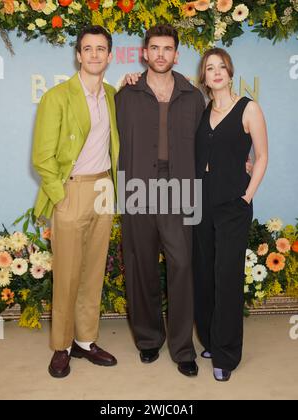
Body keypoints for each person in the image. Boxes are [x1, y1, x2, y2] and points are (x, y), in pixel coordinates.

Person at [115, 24, 206, 377]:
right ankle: (149, 339)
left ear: (176, 54)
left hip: (180, 189)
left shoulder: (193, 95)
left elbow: (207, 142)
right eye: (154, 48)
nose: (160, 55)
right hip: (138, 188)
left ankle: (183, 347)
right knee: (141, 266)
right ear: (144, 53)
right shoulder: (125, 94)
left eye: (167, 49)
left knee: (182, 265)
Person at [32, 25, 120, 378]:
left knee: (93, 271)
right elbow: (42, 157)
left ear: (110, 56)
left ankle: (85, 341)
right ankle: (62, 346)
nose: (95, 54)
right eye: (88, 48)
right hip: (72, 190)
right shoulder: (57, 96)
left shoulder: (113, 94)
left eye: (101, 49)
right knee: (67, 274)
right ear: (78, 55)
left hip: (104, 190)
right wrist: (60, 196)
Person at [193, 48, 268, 382]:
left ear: (230, 71)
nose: (217, 72)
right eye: (210, 68)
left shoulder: (248, 108)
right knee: (205, 274)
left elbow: (262, 156)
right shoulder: (202, 109)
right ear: (204, 77)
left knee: (227, 278)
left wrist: (247, 195)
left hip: (233, 206)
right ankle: (210, 339)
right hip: (202, 203)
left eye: (221, 66)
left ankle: (226, 355)